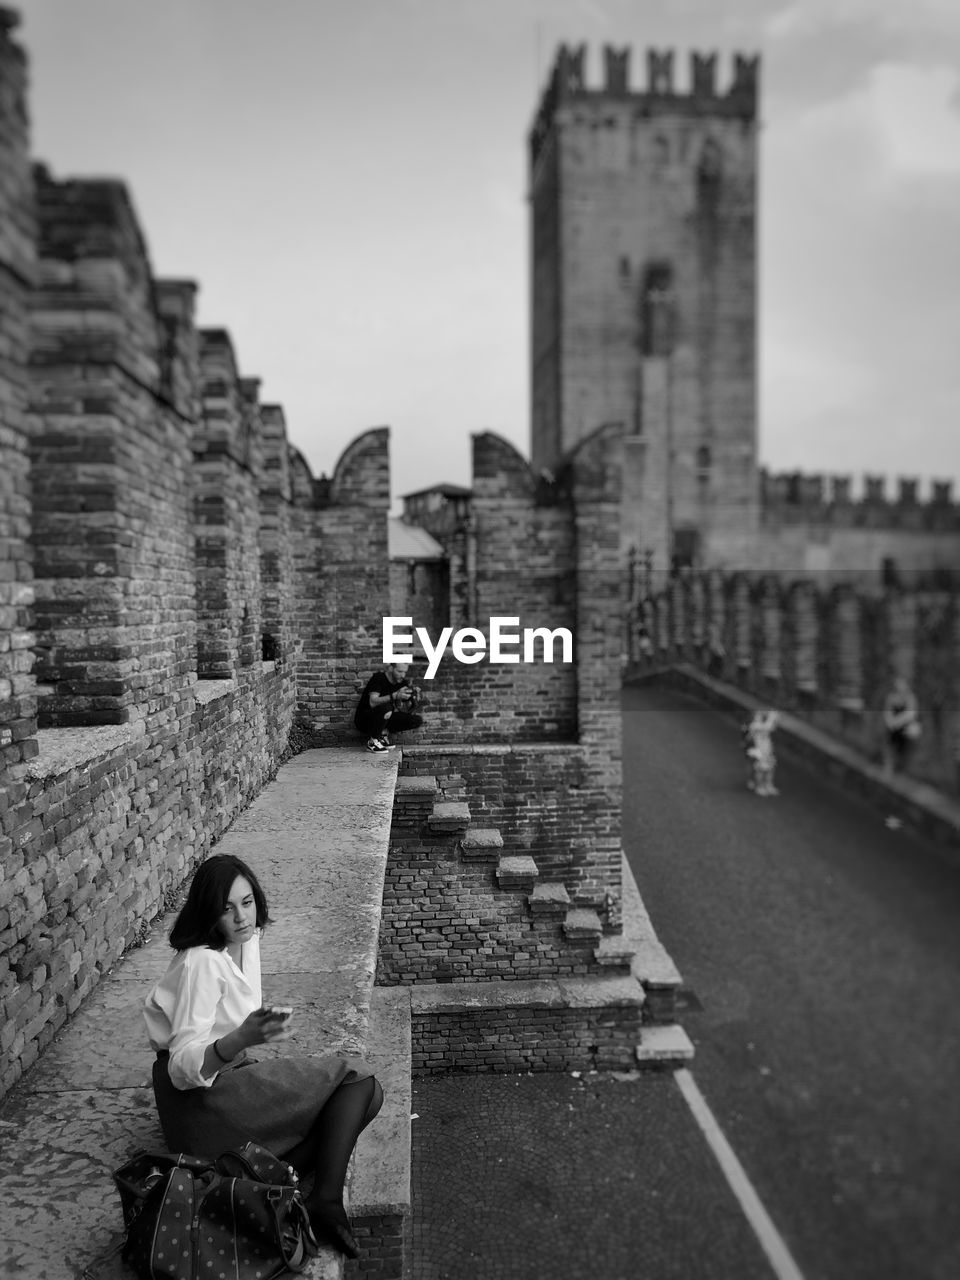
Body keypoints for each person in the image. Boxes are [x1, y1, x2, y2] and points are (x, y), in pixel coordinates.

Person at [143, 854, 383, 1259]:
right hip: (197, 1104)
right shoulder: (201, 962)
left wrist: (250, 1035)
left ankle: (278, 1178)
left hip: (227, 1080)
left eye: (247, 902)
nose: (241, 917)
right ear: (209, 913)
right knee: (359, 1082)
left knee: (366, 1099)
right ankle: (323, 1199)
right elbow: (180, 1067)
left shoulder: (248, 940)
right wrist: (238, 1039)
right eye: (226, 908)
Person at [355, 660, 423, 752]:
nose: (402, 675)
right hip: (365, 720)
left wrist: (414, 699)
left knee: (416, 720)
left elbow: (404, 708)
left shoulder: (402, 683)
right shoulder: (379, 678)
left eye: (404, 672)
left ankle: (382, 734)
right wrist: (395, 696)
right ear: (391, 668)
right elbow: (372, 702)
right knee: (387, 707)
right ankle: (373, 741)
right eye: (399, 671)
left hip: (386, 717)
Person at [882, 676, 921, 775]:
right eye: (898, 683)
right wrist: (890, 721)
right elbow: (887, 710)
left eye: (901, 683)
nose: (899, 686)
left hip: (904, 727)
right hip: (893, 727)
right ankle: (889, 768)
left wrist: (897, 722)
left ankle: (903, 770)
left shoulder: (910, 697)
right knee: (890, 744)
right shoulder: (892, 696)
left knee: (904, 746)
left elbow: (911, 714)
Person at [743, 707, 780, 796]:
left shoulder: (762, 724)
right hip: (759, 752)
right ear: (753, 717)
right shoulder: (753, 726)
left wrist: (775, 718)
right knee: (760, 770)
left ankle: (768, 785)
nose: (762, 716)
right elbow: (767, 727)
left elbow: (772, 727)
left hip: (768, 752)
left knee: (770, 769)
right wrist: (771, 717)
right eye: (758, 715)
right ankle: (759, 786)